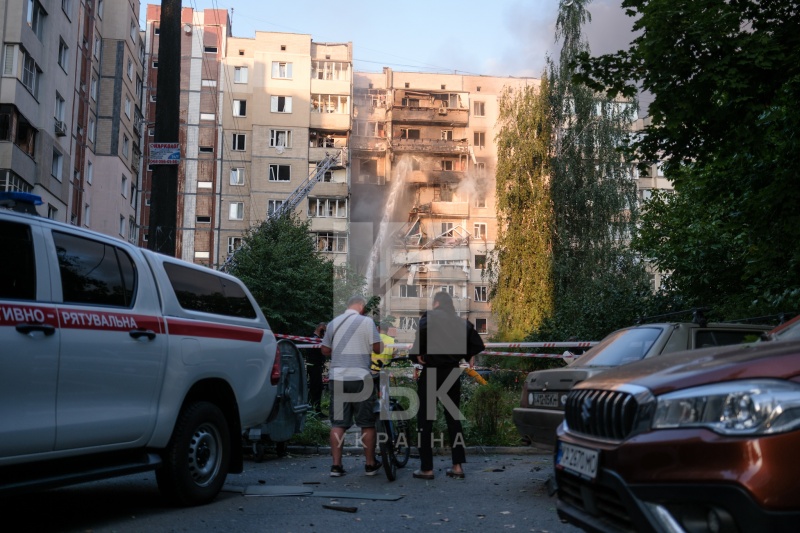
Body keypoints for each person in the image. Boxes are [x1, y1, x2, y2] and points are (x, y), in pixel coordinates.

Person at [409, 291, 485, 480]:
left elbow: (420, 339)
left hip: (432, 371)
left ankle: (427, 468)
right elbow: (477, 345)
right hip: (452, 372)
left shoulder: (429, 318)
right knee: (453, 419)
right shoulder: (461, 322)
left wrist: (417, 353)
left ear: (435, 303)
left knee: (425, 421)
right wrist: (465, 354)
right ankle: (457, 466)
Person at [321, 295, 383, 477]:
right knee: (366, 423)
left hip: (338, 378)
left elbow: (324, 350)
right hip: (361, 378)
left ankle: (336, 466)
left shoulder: (333, 323)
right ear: (361, 306)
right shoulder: (366, 322)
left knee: (338, 423)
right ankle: (370, 464)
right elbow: (378, 349)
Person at [305, 322, 327, 416]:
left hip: (317, 367)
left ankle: (316, 410)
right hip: (313, 366)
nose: (325, 332)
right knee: (315, 388)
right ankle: (313, 410)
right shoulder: (313, 339)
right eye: (324, 330)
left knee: (318, 388)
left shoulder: (317, 339)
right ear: (320, 328)